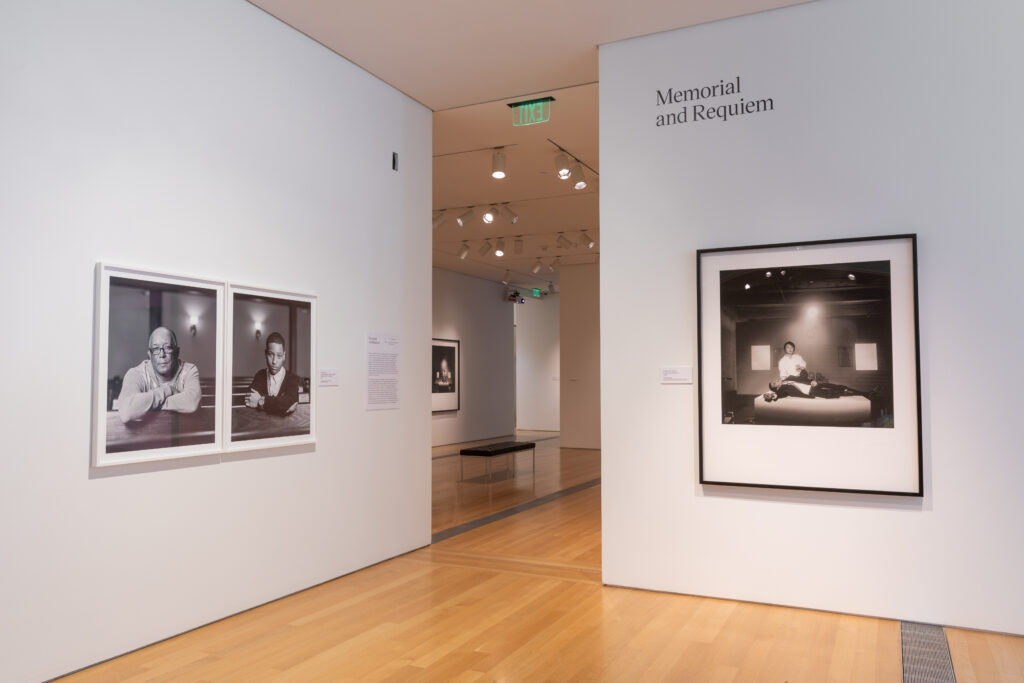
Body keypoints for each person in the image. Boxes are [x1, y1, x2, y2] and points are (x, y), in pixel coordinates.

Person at [117, 327, 201, 423]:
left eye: (168, 347)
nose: (162, 354)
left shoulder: (189, 370)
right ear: (149, 355)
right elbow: (128, 411)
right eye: (156, 349)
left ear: (177, 352)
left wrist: (146, 406)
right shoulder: (136, 374)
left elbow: (192, 403)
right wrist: (167, 390)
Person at [245, 332, 299, 415]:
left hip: (285, 427)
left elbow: (288, 402)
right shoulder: (260, 375)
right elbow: (250, 398)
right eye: (271, 354)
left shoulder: (293, 378)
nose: (274, 361)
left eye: (279, 356)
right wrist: (281, 405)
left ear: (284, 355)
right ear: (265, 353)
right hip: (262, 426)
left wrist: (261, 402)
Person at [763, 369, 876, 402]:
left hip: (814, 385)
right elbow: (778, 396)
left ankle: (865, 393)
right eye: (774, 383)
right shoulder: (782, 390)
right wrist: (773, 396)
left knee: (840, 387)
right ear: (776, 387)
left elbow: (803, 376)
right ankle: (866, 394)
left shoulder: (788, 378)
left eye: (774, 380)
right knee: (838, 393)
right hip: (813, 392)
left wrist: (802, 370)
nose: (776, 380)